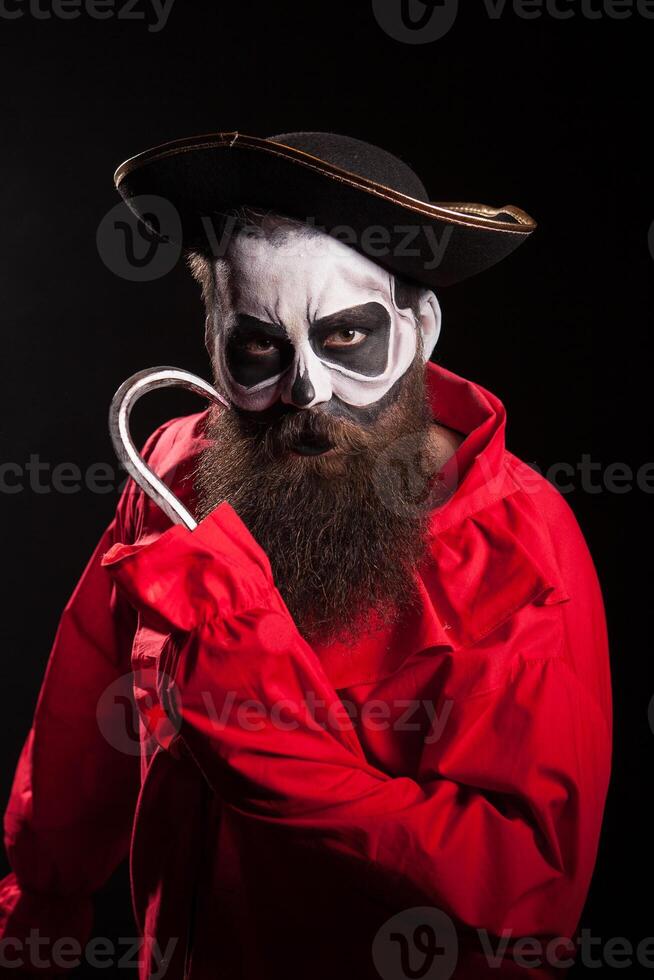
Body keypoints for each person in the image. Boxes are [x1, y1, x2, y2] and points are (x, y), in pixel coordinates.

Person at [0, 131, 612, 979]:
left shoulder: (518, 548)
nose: (307, 392)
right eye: (260, 346)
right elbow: (82, 715)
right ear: (214, 335)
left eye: (347, 338)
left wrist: (272, 744)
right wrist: (43, 905)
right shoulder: (172, 474)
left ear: (418, 329)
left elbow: (528, 883)